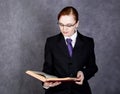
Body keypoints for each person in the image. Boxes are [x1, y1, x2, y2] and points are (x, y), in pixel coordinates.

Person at [42, 6, 98, 94]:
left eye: (69, 25)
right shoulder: (51, 42)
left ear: (77, 24)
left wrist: (84, 73)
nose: (64, 29)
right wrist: (45, 83)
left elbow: (93, 67)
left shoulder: (88, 42)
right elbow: (47, 69)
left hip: (80, 91)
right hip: (56, 91)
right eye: (61, 24)